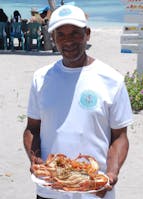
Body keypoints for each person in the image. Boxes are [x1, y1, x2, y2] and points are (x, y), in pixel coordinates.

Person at [23, 5, 133, 199]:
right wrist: (35, 158)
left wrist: (112, 173)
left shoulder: (111, 79)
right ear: (53, 38)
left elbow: (120, 136)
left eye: (75, 33)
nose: (68, 41)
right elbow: (32, 128)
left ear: (87, 34)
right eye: (61, 35)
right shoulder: (41, 78)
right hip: (50, 188)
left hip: (94, 189)